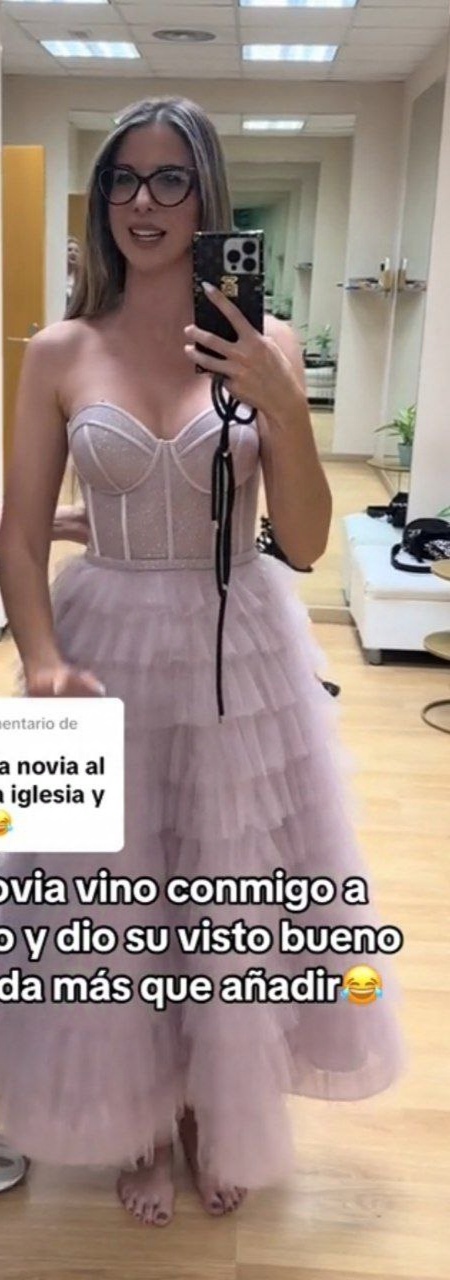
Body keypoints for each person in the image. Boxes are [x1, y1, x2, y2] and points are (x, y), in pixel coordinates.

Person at [0, 96, 404, 1228]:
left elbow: (308, 542)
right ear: (101, 201)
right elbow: (18, 533)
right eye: (123, 179)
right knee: (98, 907)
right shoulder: (58, 350)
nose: (143, 202)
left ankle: (203, 1111)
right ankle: (131, 1120)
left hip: (244, 644)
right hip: (89, 647)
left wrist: (281, 401)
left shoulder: (267, 343)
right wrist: (39, 657)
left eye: (169, 179)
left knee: (225, 899)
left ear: (207, 196)